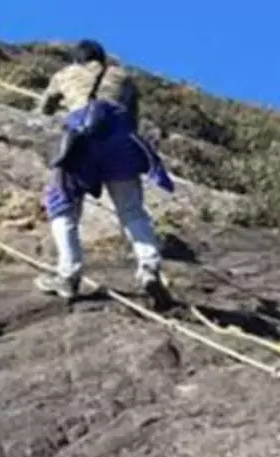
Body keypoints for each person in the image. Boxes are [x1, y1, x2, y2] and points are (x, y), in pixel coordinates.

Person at [35, 40, 176, 309]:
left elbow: (45, 109)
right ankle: (149, 268)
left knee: (62, 205)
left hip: (80, 134)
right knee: (132, 211)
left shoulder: (64, 74)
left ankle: (68, 275)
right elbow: (133, 118)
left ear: (77, 59)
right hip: (120, 136)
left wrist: (66, 103)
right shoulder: (123, 76)